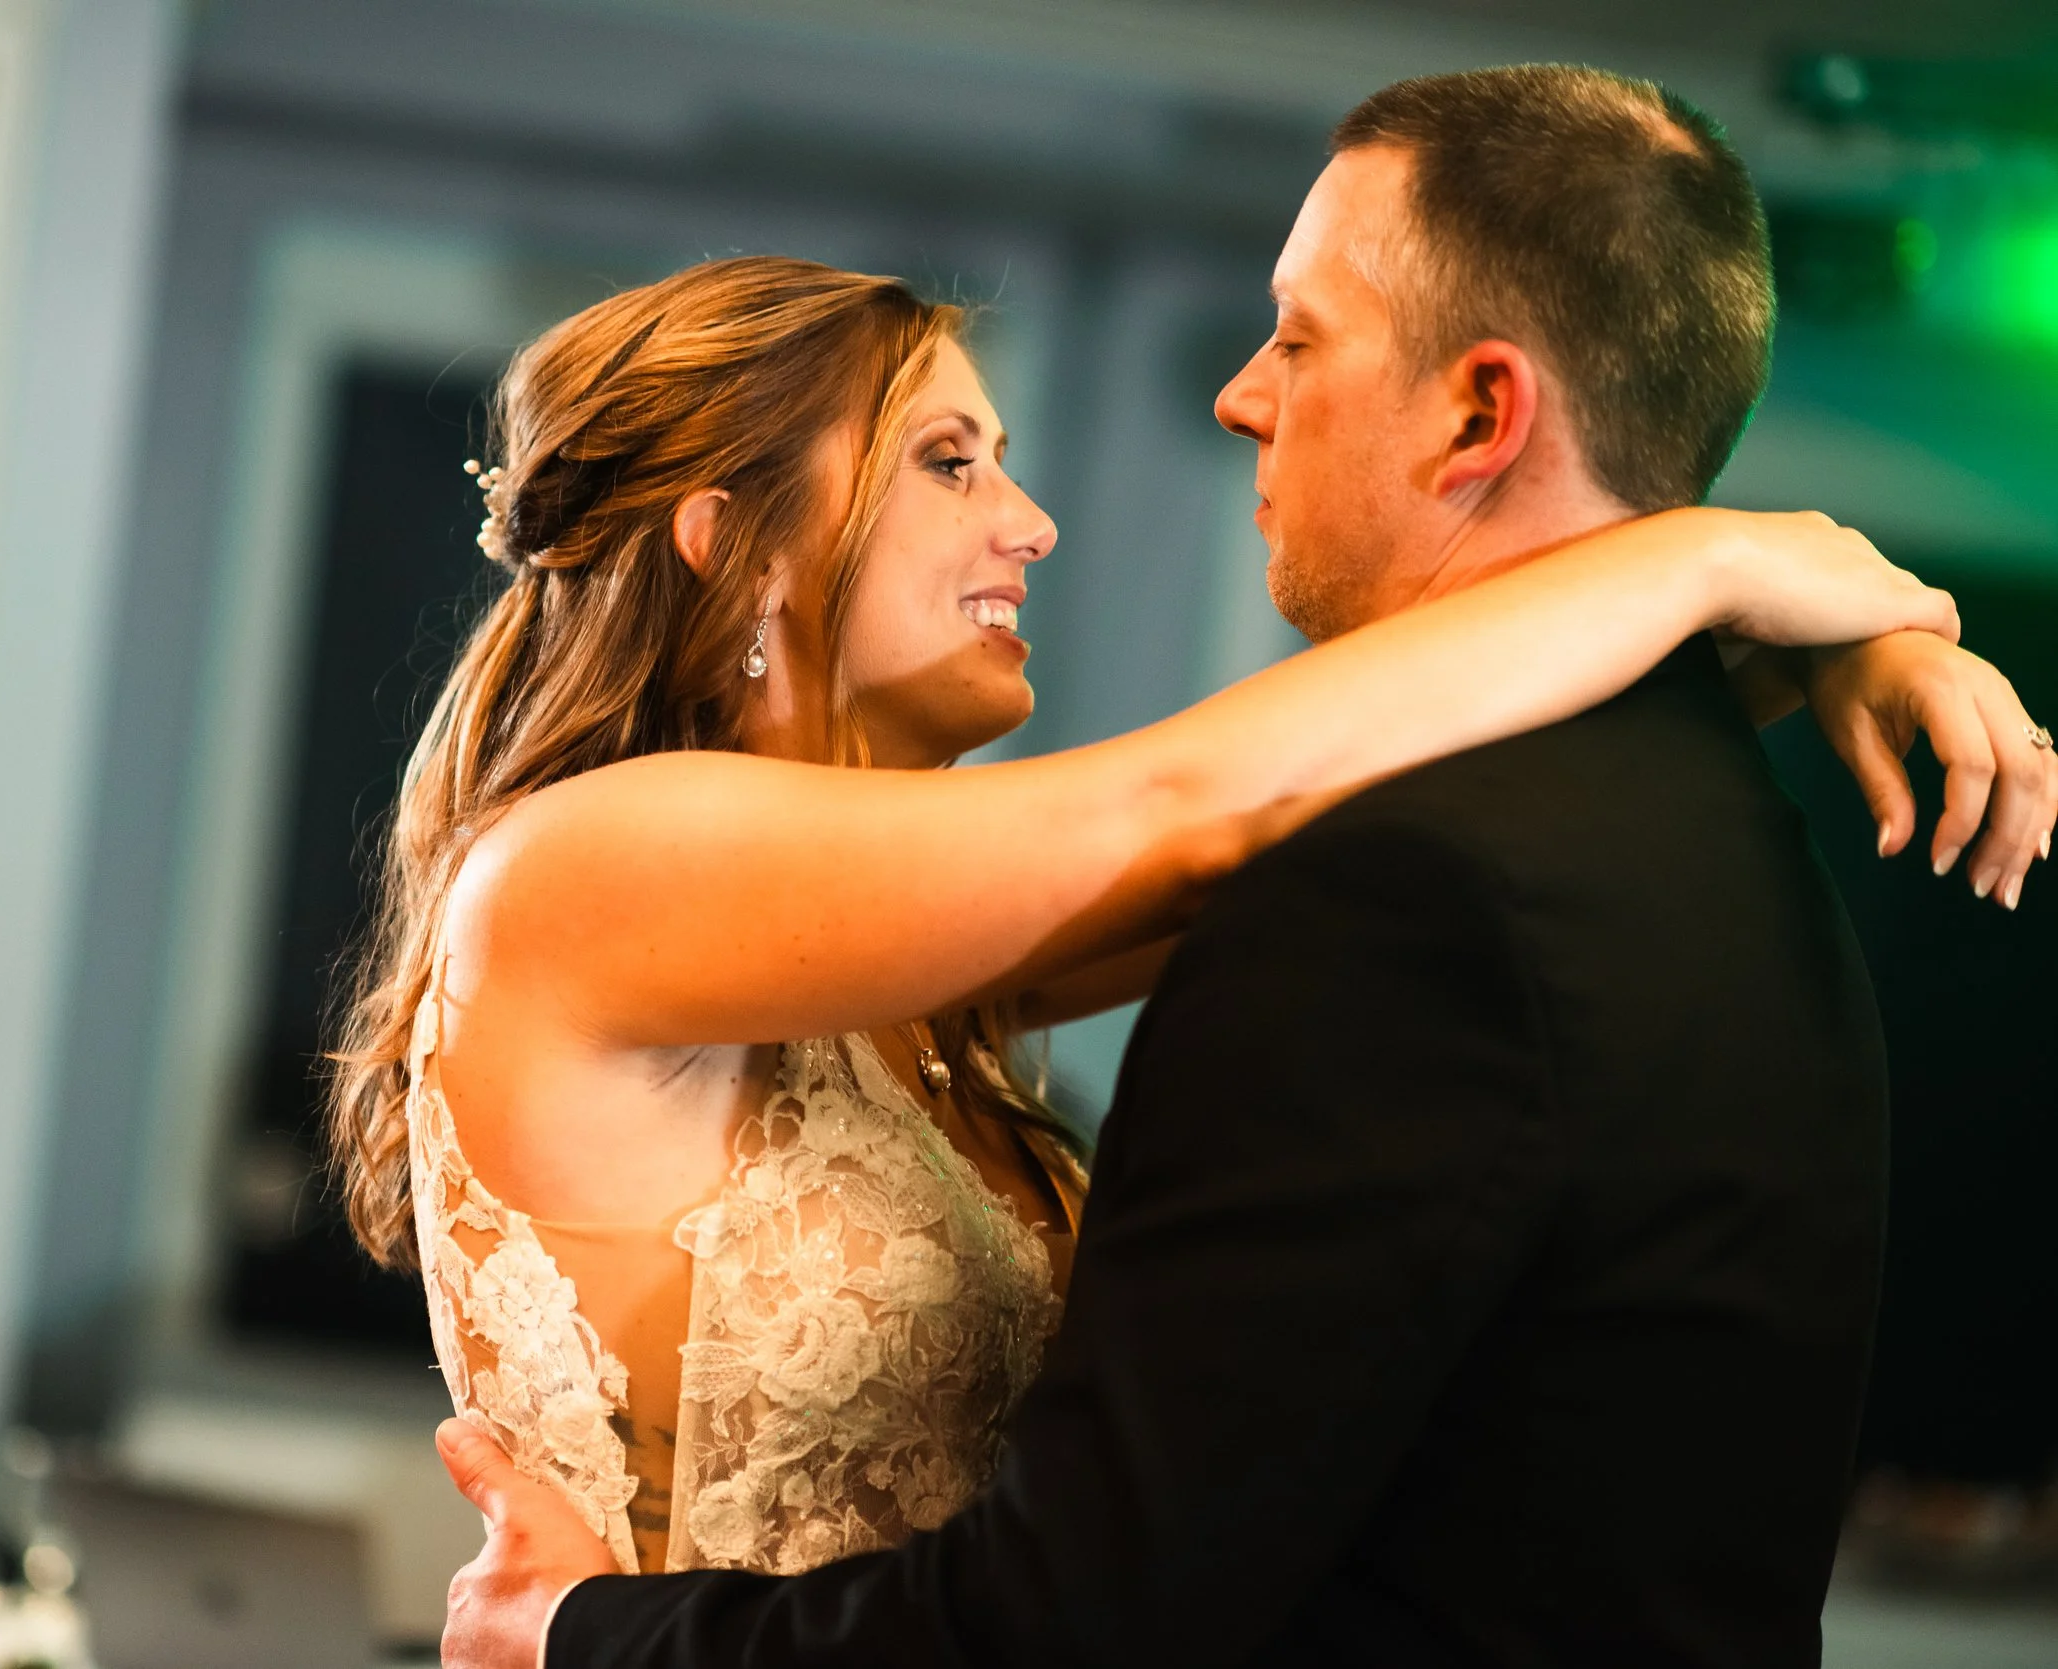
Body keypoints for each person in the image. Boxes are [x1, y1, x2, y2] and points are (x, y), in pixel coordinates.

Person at [426, 66, 2058, 1668]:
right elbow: (1208, 796)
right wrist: (1714, 556)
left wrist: (1793, 649)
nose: (1032, 520)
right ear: (737, 543)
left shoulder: (902, 975)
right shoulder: (593, 862)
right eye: (948, 462)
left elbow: (1293, 804)